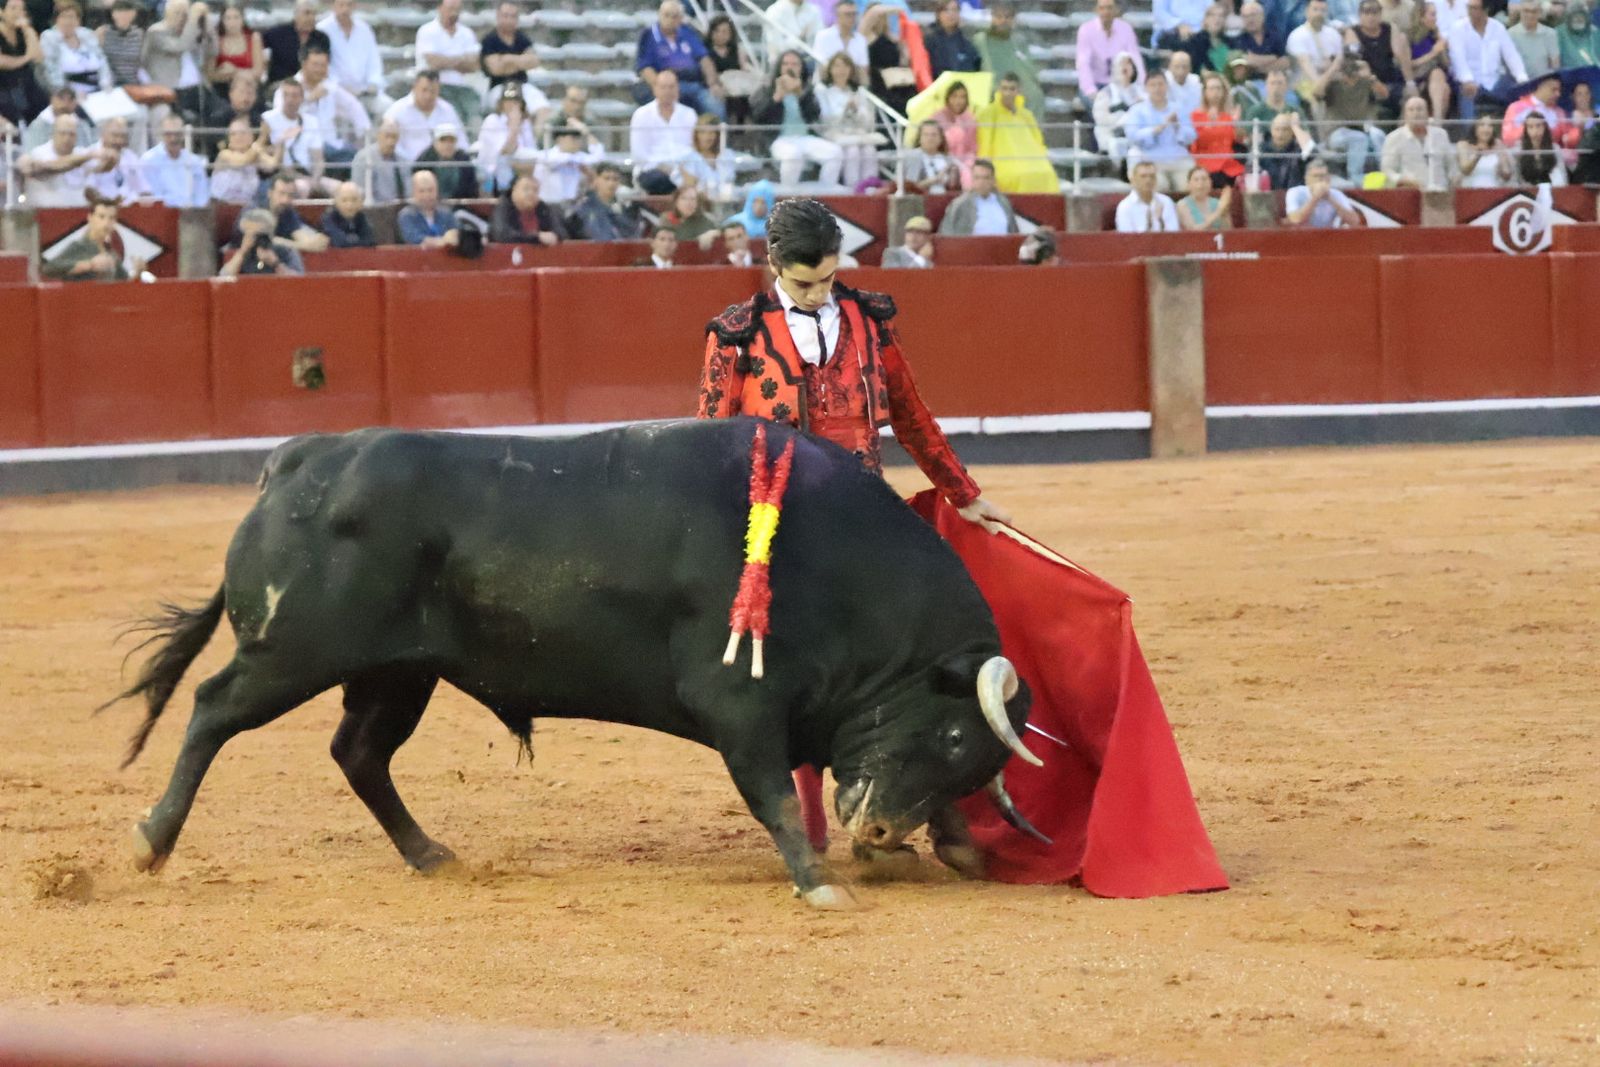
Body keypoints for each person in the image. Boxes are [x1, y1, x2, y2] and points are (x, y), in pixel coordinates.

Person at [695, 197, 1009, 852]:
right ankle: (818, 816)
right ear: (774, 264)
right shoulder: (735, 334)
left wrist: (962, 493)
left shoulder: (870, 322)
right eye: (803, 282)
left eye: (828, 280)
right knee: (804, 678)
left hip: (867, 529)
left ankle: (929, 805)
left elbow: (912, 416)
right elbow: (710, 446)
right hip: (780, 538)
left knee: (901, 666)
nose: (817, 294)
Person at [753, 49, 844, 186]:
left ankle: (826, 192)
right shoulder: (767, 89)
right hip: (779, 139)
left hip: (804, 138)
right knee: (793, 156)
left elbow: (814, 115)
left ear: (801, 68)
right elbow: (758, 116)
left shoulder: (807, 89)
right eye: (786, 64)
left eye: (795, 64)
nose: (790, 67)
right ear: (779, 67)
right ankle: (787, 195)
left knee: (835, 153)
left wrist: (800, 94)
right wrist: (777, 97)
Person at [275, 40, 369, 169]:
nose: (319, 69)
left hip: (330, 145)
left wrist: (364, 136)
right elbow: (281, 118)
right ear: (304, 64)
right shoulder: (288, 88)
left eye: (323, 65)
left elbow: (354, 108)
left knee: (363, 157)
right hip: (301, 146)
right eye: (315, 65)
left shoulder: (330, 88)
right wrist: (309, 99)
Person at [633, 0, 724, 119]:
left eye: (674, 16)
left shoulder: (687, 32)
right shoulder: (649, 35)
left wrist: (713, 84)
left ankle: (722, 136)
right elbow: (645, 68)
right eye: (666, 15)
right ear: (659, 15)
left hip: (693, 84)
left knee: (714, 104)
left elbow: (704, 59)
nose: (670, 19)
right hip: (664, 83)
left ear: (680, 18)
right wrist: (662, 87)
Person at [975, 71, 1054, 194]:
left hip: (1031, 161)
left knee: (1048, 174)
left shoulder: (1026, 115)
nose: (1007, 93)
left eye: (1012, 89)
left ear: (1018, 91)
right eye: (1004, 88)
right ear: (999, 90)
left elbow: (1037, 141)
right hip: (1002, 162)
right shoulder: (988, 113)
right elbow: (985, 143)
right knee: (1018, 176)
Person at [1450, 0, 1527, 120]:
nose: (1470, 12)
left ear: (1485, 10)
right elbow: (1458, 58)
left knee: (1518, 95)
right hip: (1471, 84)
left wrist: (1522, 78)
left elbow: (1511, 55)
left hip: (1496, 83)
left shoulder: (1498, 28)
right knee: (1468, 99)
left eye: (1474, 8)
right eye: (1469, 8)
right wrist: (1467, 80)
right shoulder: (1458, 28)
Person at [42, 190, 143, 281]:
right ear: (90, 218)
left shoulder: (111, 253)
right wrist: (89, 265)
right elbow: (50, 268)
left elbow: (123, 284)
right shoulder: (80, 247)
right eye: (101, 217)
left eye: (111, 218)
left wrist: (137, 273)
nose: (106, 223)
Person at [1125, 68, 1196, 193]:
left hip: (1178, 158)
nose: (1157, 88)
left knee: (1190, 186)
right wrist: (1156, 130)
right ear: (1146, 88)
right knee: (1159, 187)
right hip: (1149, 160)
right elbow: (1132, 136)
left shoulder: (1178, 108)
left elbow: (1192, 135)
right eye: (1153, 85)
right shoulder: (1137, 110)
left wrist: (1177, 126)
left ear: (1167, 86)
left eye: (1161, 84)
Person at [817, 50, 880, 188]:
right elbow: (825, 117)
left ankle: (870, 187)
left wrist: (856, 110)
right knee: (852, 151)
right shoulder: (823, 91)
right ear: (830, 69)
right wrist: (844, 110)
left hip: (857, 132)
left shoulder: (858, 92)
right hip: (835, 133)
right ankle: (853, 187)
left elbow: (867, 120)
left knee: (869, 150)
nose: (841, 70)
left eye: (845, 66)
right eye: (837, 66)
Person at [1319, 53, 1386, 181]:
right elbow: (1316, 92)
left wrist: (1370, 76)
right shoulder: (1334, 84)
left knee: (1378, 134)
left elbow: (1384, 94)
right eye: (1346, 68)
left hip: (1362, 129)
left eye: (1353, 67)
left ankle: (1385, 173)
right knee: (1358, 139)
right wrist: (1333, 69)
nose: (1350, 72)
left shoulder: (1365, 82)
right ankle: (1355, 177)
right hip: (1336, 133)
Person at [140, 0, 209, 124]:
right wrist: (192, 22)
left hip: (194, 90)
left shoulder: (189, 32)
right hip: (166, 92)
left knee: (219, 111)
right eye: (177, 13)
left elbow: (213, 50)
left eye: (185, 14)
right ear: (167, 14)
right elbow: (180, 46)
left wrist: (205, 24)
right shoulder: (156, 31)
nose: (182, 18)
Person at [263, 78, 334, 197]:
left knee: (342, 189)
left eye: (294, 96)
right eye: (286, 95)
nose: (290, 100)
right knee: (302, 187)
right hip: (283, 176)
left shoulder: (311, 121)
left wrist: (315, 180)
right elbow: (264, 152)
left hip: (309, 175)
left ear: (302, 98)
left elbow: (318, 159)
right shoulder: (267, 119)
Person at [630, 67, 696, 194]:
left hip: (683, 170)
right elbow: (639, 155)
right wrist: (663, 167)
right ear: (655, 89)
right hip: (652, 172)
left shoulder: (689, 115)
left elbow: (692, 149)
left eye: (671, 87)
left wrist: (681, 170)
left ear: (678, 89)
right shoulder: (641, 115)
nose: (667, 91)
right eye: (663, 87)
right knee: (659, 179)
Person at [415, 0, 480, 128]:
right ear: (440, 8)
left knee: (476, 119)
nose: (454, 13)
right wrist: (462, 60)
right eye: (450, 9)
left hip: (464, 89)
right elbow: (434, 63)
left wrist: (445, 60)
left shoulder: (467, 33)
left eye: (457, 9)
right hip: (439, 88)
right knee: (454, 118)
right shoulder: (427, 31)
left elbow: (474, 65)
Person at [17, 110, 99, 205]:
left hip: (78, 213)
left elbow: (102, 167)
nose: (67, 138)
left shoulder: (82, 153)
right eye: (62, 133)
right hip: (44, 213)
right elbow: (47, 167)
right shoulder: (39, 153)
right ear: (53, 134)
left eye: (71, 134)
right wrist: (84, 158)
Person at [1345, 0, 1413, 115]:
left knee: (1409, 96)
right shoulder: (1352, 32)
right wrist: (1373, 80)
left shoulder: (1389, 28)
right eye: (1366, 13)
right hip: (1367, 83)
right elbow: (1355, 63)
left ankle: (1402, 127)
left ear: (1380, 14)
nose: (1371, 17)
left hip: (1391, 79)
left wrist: (1411, 83)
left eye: (1374, 13)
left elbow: (1401, 56)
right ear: (1360, 15)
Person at [975, 2, 1043, 114]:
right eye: (999, 17)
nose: (1003, 21)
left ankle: (1030, 130)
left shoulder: (1019, 41)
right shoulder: (981, 40)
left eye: (1007, 17)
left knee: (1035, 95)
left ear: (1013, 20)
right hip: (993, 84)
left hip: (1017, 84)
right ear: (992, 18)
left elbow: (1029, 67)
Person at [318, 0, 384, 111]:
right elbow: (322, 65)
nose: (345, 9)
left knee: (386, 108)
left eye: (349, 5)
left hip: (365, 91)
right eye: (341, 5)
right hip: (335, 92)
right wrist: (339, 87)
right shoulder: (322, 30)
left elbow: (374, 60)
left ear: (354, 6)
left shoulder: (364, 29)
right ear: (334, 6)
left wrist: (373, 82)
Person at [384, 69, 462, 162]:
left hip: (442, 166)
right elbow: (390, 144)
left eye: (433, 91)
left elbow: (461, 142)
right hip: (407, 165)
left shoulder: (448, 110)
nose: (428, 96)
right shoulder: (397, 111)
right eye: (424, 90)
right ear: (414, 88)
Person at [40, 0, 109, 98]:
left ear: (78, 20)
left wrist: (106, 84)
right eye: (64, 17)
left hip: (99, 90)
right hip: (69, 96)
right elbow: (52, 73)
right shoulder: (49, 37)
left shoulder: (87, 34)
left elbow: (102, 61)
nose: (68, 21)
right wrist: (72, 95)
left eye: (71, 17)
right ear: (56, 19)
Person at [476, 82, 536, 195]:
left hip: (520, 177)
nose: (511, 105)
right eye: (508, 101)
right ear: (502, 103)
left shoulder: (525, 124)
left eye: (515, 101)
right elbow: (506, 150)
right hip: (493, 180)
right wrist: (514, 127)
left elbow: (531, 153)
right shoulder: (492, 121)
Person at [1381, 94, 1452, 187]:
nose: (1416, 113)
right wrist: (1404, 180)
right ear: (1405, 115)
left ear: (1427, 113)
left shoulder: (1441, 135)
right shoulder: (1394, 138)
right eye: (1411, 110)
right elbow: (1387, 170)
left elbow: (1451, 166)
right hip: (1409, 192)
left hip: (1440, 190)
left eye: (1420, 109)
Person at [140, 113, 208, 207]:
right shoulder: (149, 160)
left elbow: (202, 197)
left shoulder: (194, 161)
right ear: (161, 134)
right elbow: (152, 196)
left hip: (191, 215)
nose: (173, 139)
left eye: (177, 134)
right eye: (168, 134)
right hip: (162, 214)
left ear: (184, 135)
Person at [566, 161, 644, 241]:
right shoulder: (583, 209)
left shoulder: (626, 209)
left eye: (615, 179)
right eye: (606, 178)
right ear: (596, 180)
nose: (611, 183)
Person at [1191, 72, 1244, 189]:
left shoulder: (1229, 115)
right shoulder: (1196, 116)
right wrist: (1210, 126)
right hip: (1206, 163)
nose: (1215, 92)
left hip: (1229, 163)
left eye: (1218, 88)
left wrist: (1235, 124)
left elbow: (1238, 141)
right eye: (1211, 89)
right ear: (1205, 92)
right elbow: (1196, 145)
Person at [938, 158, 1017, 235]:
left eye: (986, 178)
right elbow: (946, 234)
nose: (981, 182)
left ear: (993, 180)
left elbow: (1014, 232)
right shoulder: (960, 204)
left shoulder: (1004, 202)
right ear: (972, 179)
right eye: (977, 178)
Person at [254, 170, 329, 252]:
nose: (285, 200)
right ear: (270, 193)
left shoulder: (287, 211)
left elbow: (299, 234)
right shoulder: (256, 210)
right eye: (281, 193)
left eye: (290, 195)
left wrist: (316, 240)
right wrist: (303, 246)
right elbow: (266, 241)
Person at [210, 115, 278, 204]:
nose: (238, 137)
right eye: (233, 134)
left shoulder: (255, 153)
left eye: (242, 133)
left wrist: (281, 142)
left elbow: (272, 165)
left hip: (246, 206)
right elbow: (242, 161)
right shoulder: (224, 154)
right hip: (222, 205)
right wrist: (262, 138)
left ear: (251, 136)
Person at [704, 13, 753, 133]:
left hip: (735, 85)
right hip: (716, 84)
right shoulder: (705, 52)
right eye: (717, 31)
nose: (721, 35)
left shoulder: (737, 50)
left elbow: (744, 68)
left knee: (742, 97)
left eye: (725, 31)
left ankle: (741, 132)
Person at [0, 0, 46, 128]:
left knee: (44, 106)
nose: (18, 13)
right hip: (4, 87)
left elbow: (38, 57)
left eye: (21, 9)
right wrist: (25, 59)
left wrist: (28, 29)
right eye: (13, 8)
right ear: (2, 12)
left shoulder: (23, 31)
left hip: (26, 84)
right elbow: (2, 61)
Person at [862, 3, 913, 117]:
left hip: (896, 83)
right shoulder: (866, 36)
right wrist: (896, 9)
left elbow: (902, 62)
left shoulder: (893, 39)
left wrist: (904, 53)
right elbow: (873, 13)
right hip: (878, 82)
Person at [1093, 51, 1145, 163]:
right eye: (1121, 64)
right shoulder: (1105, 93)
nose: (1125, 67)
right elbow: (1101, 120)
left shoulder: (1141, 93)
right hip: (1112, 135)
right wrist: (1123, 117)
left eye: (1128, 63)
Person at [219, 206, 304, 275]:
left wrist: (276, 264)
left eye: (258, 235)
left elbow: (298, 281)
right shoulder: (243, 254)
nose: (255, 239)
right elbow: (224, 278)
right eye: (249, 235)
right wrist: (242, 252)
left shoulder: (285, 250)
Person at [1288, 0, 1344, 104]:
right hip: (1303, 82)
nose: (1319, 14)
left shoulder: (1334, 34)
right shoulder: (1297, 35)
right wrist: (1321, 83)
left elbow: (1339, 63)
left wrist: (1328, 75)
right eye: (1315, 9)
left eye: (1323, 10)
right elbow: (1306, 66)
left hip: (1331, 80)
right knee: (1315, 91)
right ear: (1307, 11)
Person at [537, 114, 602, 203]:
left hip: (575, 205)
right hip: (550, 204)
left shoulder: (580, 156)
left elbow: (598, 156)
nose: (578, 140)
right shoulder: (546, 155)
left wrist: (586, 131)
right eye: (573, 136)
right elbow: (554, 160)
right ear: (560, 138)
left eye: (579, 136)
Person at [262, 0, 327, 85]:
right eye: (307, 13)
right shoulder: (278, 34)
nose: (311, 17)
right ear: (296, 15)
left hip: (312, 85)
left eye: (314, 14)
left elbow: (325, 66)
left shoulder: (321, 38)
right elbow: (257, 41)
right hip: (280, 84)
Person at [489, 172, 564, 245]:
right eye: (526, 189)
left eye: (535, 190)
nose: (531, 193)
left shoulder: (543, 209)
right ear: (514, 191)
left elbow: (560, 232)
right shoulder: (503, 208)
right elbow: (501, 234)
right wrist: (536, 237)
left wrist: (555, 236)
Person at [480, 0, 536, 96]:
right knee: (513, 104)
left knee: (541, 105)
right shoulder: (490, 40)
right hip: (499, 86)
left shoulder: (521, 38)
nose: (509, 20)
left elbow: (533, 62)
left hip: (522, 84)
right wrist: (520, 62)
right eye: (505, 16)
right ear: (498, 16)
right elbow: (496, 69)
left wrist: (506, 59)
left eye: (513, 16)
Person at [1284, 158, 1364, 226]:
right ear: (1306, 179)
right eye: (1315, 176)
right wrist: (1315, 198)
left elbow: (1354, 221)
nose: (1319, 179)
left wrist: (1330, 199)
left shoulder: (1336, 194)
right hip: (1301, 237)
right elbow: (1295, 220)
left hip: (1328, 237)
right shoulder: (1295, 192)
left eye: (1323, 176)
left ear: (1328, 179)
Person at [1408, 1, 1453, 121]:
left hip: (1438, 79)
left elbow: (1446, 64)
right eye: (1432, 15)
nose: (1435, 18)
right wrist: (1432, 53)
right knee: (1437, 74)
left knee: (1445, 87)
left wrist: (1441, 45)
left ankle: (1436, 124)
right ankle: (1438, 121)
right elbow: (1409, 64)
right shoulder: (1409, 36)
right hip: (1418, 76)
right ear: (1421, 17)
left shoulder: (1435, 35)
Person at [205, 4, 262, 97]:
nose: (233, 22)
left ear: (242, 20)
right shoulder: (216, 41)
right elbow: (210, 74)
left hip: (248, 88)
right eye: (228, 18)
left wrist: (234, 71)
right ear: (222, 21)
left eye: (236, 17)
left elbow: (258, 72)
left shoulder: (253, 38)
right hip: (222, 89)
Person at [84, 115, 146, 200]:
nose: (119, 141)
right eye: (115, 135)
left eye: (123, 136)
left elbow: (143, 189)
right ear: (103, 134)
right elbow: (89, 191)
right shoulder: (90, 155)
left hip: (129, 208)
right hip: (101, 207)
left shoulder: (131, 157)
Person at [1502, 73, 1571, 147]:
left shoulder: (1559, 112)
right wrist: (1531, 129)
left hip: (1551, 155)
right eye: (1553, 90)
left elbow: (1568, 141)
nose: (1558, 94)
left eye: (1559, 90)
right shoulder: (1516, 107)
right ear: (1540, 87)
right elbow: (1507, 138)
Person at [932, 78, 978, 186]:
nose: (958, 101)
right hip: (941, 158)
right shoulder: (938, 117)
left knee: (970, 172)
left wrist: (966, 163)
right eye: (955, 96)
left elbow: (973, 148)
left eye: (962, 97)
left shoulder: (970, 119)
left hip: (965, 160)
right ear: (948, 98)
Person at [413, 123, 476, 200]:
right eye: (443, 141)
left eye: (451, 141)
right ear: (435, 142)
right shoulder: (424, 161)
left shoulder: (464, 160)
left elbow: (471, 190)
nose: (447, 145)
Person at [397, 169, 460, 248]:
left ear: (437, 191)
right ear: (413, 193)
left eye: (430, 190)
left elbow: (456, 233)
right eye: (421, 191)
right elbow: (413, 238)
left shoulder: (446, 213)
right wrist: (442, 241)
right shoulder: (406, 215)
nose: (427, 195)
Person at [351, 119, 409, 203]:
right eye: (387, 136)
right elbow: (360, 191)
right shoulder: (364, 159)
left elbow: (408, 192)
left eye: (394, 137)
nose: (391, 141)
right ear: (378, 135)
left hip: (399, 209)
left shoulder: (403, 162)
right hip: (373, 209)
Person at [1115, 160, 1182, 231]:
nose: (1148, 180)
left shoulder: (1166, 201)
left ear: (1156, 179)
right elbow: (1126, 239)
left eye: (1152, 176)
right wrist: (1148, 226)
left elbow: (1174, 233)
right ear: (1133, 180)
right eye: (1143, 176)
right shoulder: (1125, 206)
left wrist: (1160, 221)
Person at [1231, 2, 1292, 79]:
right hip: (1250, 83)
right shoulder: (1237, 40)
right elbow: (1244, 67)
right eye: (1245, 16)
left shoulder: (1275, 36)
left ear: (1262, 16)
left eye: (1253, 15)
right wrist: (1273, 58)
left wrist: (1257, 66)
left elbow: (1285, 62)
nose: (1250, 19)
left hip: (1275, 82)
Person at [1260, 109, 1319, 187]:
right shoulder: (1262, 150)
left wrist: (1295, 126)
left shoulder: (1298, 149)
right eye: (1277, 129)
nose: (1280, 134)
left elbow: (1312, 152)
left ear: (1292, 132)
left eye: (1285, 129)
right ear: (1271, 130)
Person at [814, 0, 868, 84]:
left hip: (852, 88)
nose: (852, 18)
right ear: (837, 16)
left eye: (854, 14)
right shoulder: (823, 36)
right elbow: (822, 67)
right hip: (826, 86)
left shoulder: (861, 40)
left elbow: (863, 70)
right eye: (848, 14)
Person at [679, 112, 736, 192]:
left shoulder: (727, 154)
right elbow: (690, 189)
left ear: (717, 135)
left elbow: (728, 182)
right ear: (696, 135)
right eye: (702, 132)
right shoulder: (690, 158)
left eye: (711, 133)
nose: (707, 137)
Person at [903, 118, 961, 193]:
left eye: (934, 135)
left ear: (941, 138)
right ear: (919, 138)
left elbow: (956, 188)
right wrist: (934, 180)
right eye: (926, 135)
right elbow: (909, 188)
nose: (930, 138)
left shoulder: (948, 159)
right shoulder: (913, 157)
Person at [1458, 110, 1515, 185]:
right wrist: (1477, 156)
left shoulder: (1498, 144)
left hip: (1493, 192)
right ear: (1475, 128)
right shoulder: (1463, 145)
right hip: (1470, 192)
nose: (1486, 129)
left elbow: (1507, 175)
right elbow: (1465, 171)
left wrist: (1502, 165)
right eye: (1482, 125)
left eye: (1490, 126)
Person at [97, 0, 143, 91]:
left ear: (134, 14)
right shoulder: (103, 32)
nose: (124, 16)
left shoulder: (139, 34)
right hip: (110, 85)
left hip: (134, 84)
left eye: (127, 12)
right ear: (113, 14)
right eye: (120, 12)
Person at [926, 0, 979, 76]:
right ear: (938, 14)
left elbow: (973, 67)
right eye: (946, 10)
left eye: (954, 10)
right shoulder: (928, 40)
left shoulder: (966, 42)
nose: (951, 14)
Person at [1508, 0, 1560, 78]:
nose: (1530, 15)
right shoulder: (1510, 34)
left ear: (1539, 13)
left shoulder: (1550, 34)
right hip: (1519, 83)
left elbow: (1555, 64)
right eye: (1526, 11)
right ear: (1520, 12)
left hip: (1543, 82)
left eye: (1534, 11)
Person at [763, 0, 822, 65]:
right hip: (781, 60)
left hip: (808, 60)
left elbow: (819, 39)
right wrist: (800, 38)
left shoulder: (814, 10)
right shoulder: (774, 11)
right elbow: (776, 46)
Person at [320, 180, 376, 247]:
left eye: (354, 200)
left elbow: (369, 240)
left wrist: (351, 241)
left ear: (361, 202)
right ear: (336, 202)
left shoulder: (362, 217)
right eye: (344, 200)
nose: (349, 205)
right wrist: (357, 241)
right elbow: (339, 242)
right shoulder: (328, 219)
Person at [1517, 109, 1567, 183]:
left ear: (1544, 127)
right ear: (1526, 130)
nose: (1535, 131)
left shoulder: (1555, 149)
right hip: (1527, 190)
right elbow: (1518, 179)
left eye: (1538, 126)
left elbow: (1562, 175)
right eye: (1530, 127)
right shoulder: (1519, 150)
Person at [1176, 164, 1232, 229]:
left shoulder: (1218, 203)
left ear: (1210, 183)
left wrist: (1224, 214)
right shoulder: (1182, 205)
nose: (1201, 183)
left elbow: (1228, 231)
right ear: (1188, 184)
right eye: (1196, 180)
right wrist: (1219, 211)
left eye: (1204, 179)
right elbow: (1193, 231)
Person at [1558, 1, 1600, 66]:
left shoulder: (1595, 31)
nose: (1578, 19)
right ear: (1568, 18)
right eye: (1575, 16)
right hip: (1570, 73)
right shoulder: (1559, 32)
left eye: (1581, 16)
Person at [1164, 48, 1202, 116]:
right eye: (1176, 67)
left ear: (1190, 68)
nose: (1181, 71)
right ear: (1169, 67)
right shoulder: (1162, 82)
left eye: (1185, 67)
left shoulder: (1196, 82)